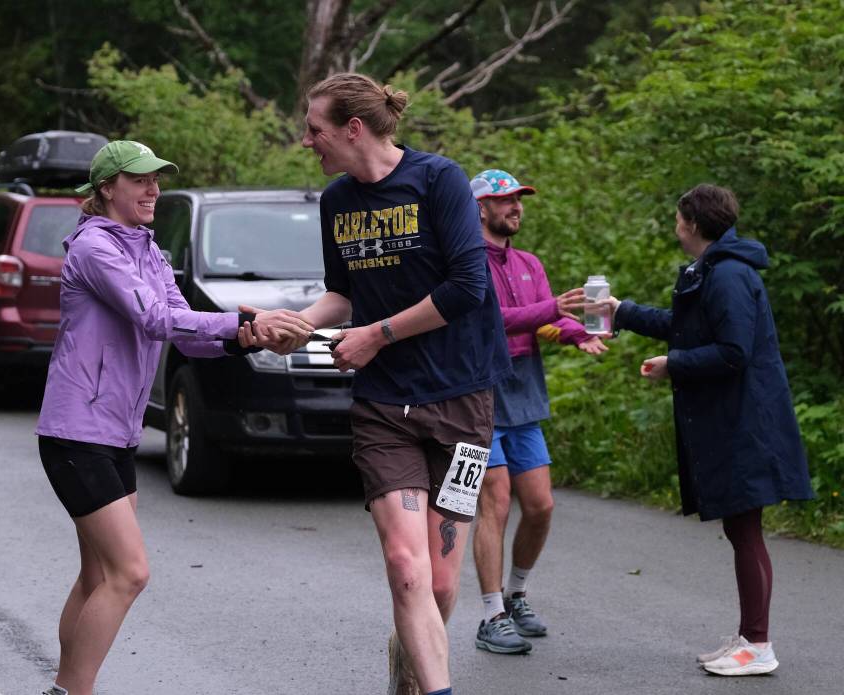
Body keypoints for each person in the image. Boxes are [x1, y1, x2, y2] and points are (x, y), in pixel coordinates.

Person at [35, 140, 312, 695]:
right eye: (141, 180)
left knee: (97, 576)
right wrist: (240, 323)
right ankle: (69, 691)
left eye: (158, 179)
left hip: (116, 432)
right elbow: (155, 318)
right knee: (129, 572)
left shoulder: (149, 251)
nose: (154, 189)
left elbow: (186, 326)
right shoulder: (96, 249)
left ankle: (65, 685)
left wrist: (249, 336)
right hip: (76, 432)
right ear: (108, 187)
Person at [267, 72, 511, 695]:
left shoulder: (439, 180)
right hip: (383, 406)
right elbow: (342, 295)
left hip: (461, 398)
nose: (306, 141)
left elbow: (466, 288)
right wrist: (296, 324)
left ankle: (408, 673)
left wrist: (376, 335)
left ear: (353, 128)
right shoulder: (336, 202)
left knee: (439, 584)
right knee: (406, 569)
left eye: (314, 130)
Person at [603, 183, 814, 676]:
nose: (675, 227)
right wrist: (623, 312)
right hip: (733, 419)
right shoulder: (713, 270)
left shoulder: (730, 277)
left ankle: (759, 645)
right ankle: (748, 636)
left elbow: (734, 351)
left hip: (746, 422)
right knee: (740, 529)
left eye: (679, 219)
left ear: (693, 225)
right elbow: (686, 326)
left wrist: (674, 364)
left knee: (746, 530)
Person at [467, 170, 605, 655]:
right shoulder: (465, 263)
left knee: (541, 505)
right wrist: (550, 311)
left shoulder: (529, 263)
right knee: (495, 501)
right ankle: (490, 616)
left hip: (525, 396)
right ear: (480, 208)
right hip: (479, 395)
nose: (515, 208)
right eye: (504, 201)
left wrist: (577, 333)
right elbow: (491, 322)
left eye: (519, 200)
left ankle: (516, 594)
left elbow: (543, 324)